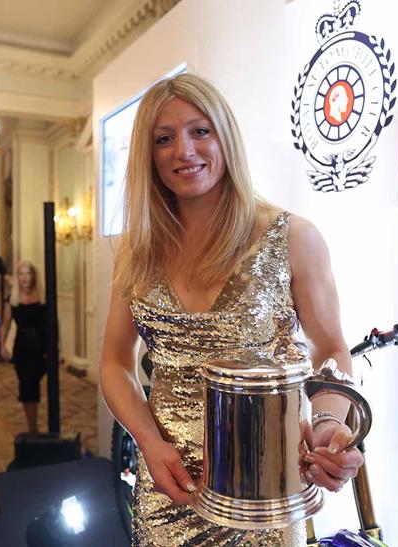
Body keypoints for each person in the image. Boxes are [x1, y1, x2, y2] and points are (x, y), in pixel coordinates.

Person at [99, 73, 364, 547]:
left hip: (267, 492)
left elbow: (330, 348)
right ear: (149, 154)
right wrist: (149, 442)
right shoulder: (137, 252)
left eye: (201, 130)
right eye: (164, 138)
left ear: (226, 136)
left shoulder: (292, 237)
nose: (184, 150)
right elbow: (115, 362)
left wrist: (327, 426)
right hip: (169, 489)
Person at [0, 260, 47, 434]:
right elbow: (5, 324)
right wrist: (2, 345)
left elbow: (51, 326)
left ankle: (33, 428)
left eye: (28, 273)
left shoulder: (43, 296)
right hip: (22, 348)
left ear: (34, 276)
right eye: (21, 274)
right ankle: (32, 428)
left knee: (31, 386)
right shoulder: (12, 299)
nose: (25, 277)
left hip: (41, 348)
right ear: (17, 278)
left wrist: (52, 349)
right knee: (27, 387)